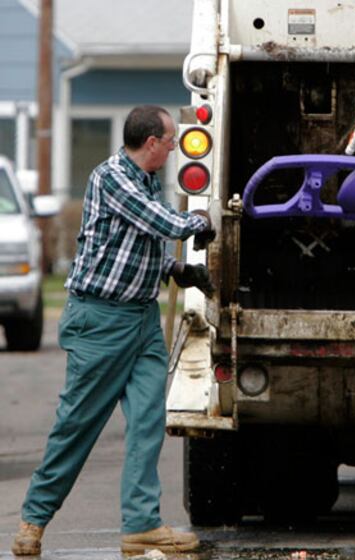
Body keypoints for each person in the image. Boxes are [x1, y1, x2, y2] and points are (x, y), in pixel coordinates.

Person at [12, 105, 216, 556]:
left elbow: (134, 243)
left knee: (148, 421)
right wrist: (200, 222)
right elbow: (161, 222)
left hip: (141, 319)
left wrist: (175, 267)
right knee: (78, 424)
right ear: (151, 143)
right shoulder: (114, 178)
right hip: (100, 320)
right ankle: (32, 520)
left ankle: (141, 525)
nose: (173, 149)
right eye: (170, 141)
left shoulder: (145, 181)